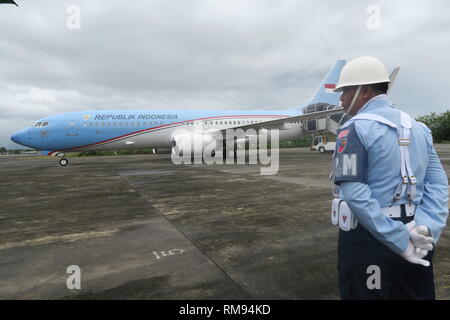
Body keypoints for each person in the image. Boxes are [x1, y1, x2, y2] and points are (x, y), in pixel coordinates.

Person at [330, 56, 449, 299]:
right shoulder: (419, 128)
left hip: (368, 239)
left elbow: (355, 195)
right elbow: (438, 183)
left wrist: (398, 241)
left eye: (344, 90)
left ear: (364, 91)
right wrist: (426, 228)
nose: (340, 98)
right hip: (418, 236)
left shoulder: (352, 129)